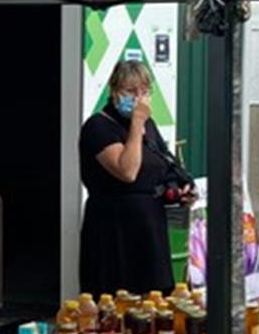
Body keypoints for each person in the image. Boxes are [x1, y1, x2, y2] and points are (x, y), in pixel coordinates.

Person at [78, 59, 196, 295]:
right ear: (114, 91)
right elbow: (127, 171)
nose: (139, 98)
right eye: (131, 91)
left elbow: (163, 164)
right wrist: (136, 125)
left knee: (154, 297)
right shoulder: (99, 126)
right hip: (114, 225)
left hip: (149, 223)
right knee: (119, 297)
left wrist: (180, 189)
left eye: (144, 91)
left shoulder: (148, 126)